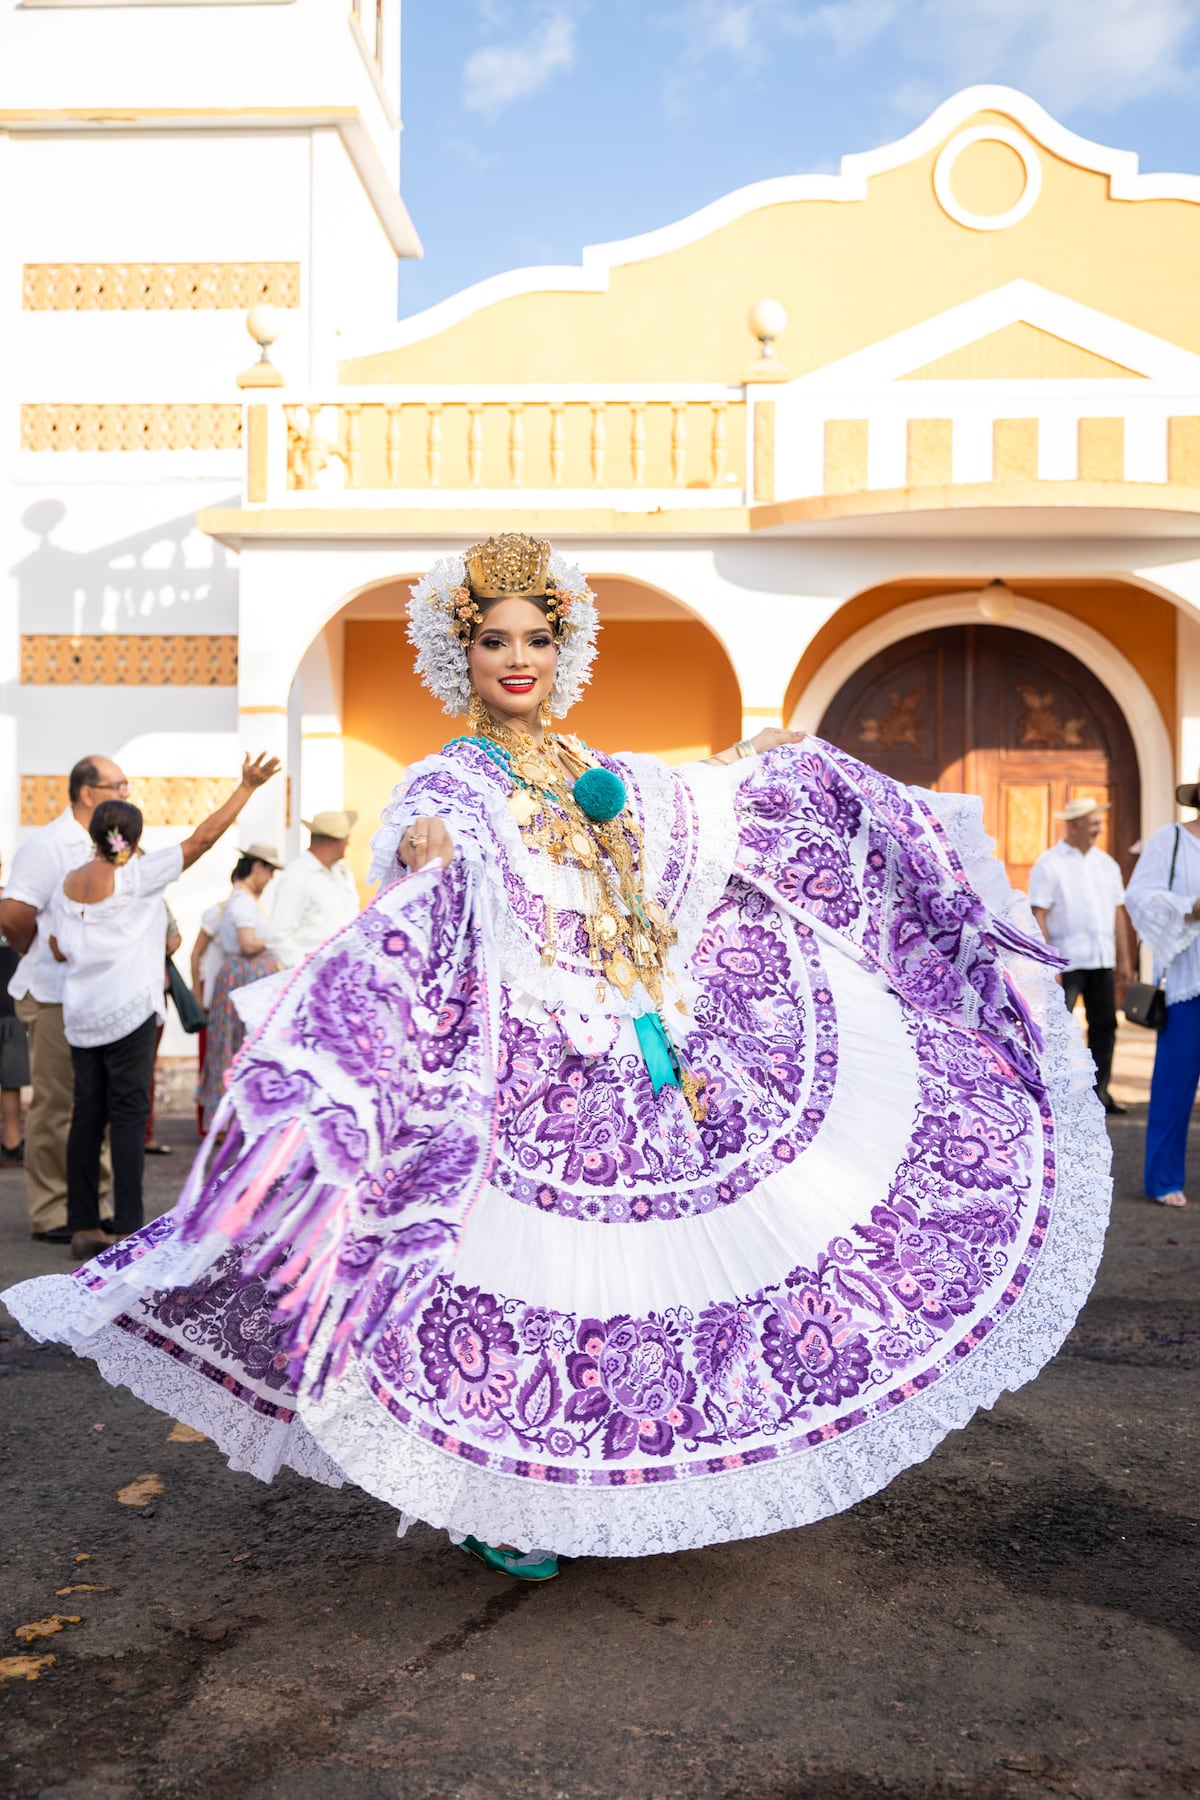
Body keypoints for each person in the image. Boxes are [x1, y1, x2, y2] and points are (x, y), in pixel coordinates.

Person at [3, 534, 1112, 1584]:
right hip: (525, 1074)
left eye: (537, 639)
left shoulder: (584, 761)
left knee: (633, 1283)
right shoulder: (449, 779)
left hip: (635, 1053)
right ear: (462, 652)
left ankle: (602, 1482)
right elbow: (424, 852)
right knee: (508, 1278)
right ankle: (493, 1502)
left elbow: (670, 808)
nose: (519, 660)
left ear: (562, 647)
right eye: (495, 640)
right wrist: (427, 854)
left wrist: (752, 768)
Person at [49, 756, 279, 1261]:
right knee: (129, 1116)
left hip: (82, 1017)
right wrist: (245, 787)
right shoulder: (137, 878)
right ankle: (129, 1225)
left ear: (95, 833)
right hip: (130, 1014)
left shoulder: (69, 885)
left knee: (86, 1116)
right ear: (132, 836)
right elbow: (202, 838)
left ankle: (83, 1224)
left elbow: (57, 948)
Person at [0, 755, 124, 1241]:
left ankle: (92, 1204)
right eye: (119, 785)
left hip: (103, 992)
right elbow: (12, 914)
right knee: (57, 1103)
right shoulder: (48, 844)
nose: (127, 794)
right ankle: (52, 1209)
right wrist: (38, 951)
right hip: (53, 993)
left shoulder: (114, 843)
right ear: (87, 792)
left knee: (100, 1101)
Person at [1029, 798, 1135, 1116]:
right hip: (1067, 961)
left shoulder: (1107, 865)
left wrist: (1125, 959)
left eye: (1099, 823)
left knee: (1104, 1026)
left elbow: (1118, 914)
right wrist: (1048, 963)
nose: (1099, 829)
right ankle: (1058, 1095)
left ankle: (1098, 1093)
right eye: (1093, 823)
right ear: (1073, 826)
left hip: (1101, 959)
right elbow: (1039, 914)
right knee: (1060, 1030)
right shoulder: (1049, 864)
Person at [1124, 773, 1200, 1207]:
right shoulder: (1170, 839)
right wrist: (1189, 907)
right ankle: (1164, 1178)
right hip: (1190, 980)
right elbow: (1140, 896)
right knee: (1175, 1085)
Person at [194, 843, 284, 1122]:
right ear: (258, 868)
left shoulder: (241, 900)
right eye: (269, 872)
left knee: (231, 1047)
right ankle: (227, 1118)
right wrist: (278, 939)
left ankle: (229, 1118)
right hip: (243, 977)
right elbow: (247, 944)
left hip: (240, 976)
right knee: (234, 1048)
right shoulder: (243, 901)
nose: (270, 880)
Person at [268, 811, 360, 969]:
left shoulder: (342, 873)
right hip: (313, 977)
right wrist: (306, 967)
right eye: (346, 838)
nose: (348, 843)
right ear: (333, 841)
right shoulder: (297, 875)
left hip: (343, 971)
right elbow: (278, 936)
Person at [143, 904, 183, 1158]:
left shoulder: (157, 899)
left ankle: (143, 1132)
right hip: (143, 991)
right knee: (143, 1067)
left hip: (151, 991)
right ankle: (142, 1133)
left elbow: (174, 939)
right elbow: (173, 939)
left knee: (145, 1066)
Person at [0, 853, 31, 1169]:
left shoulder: (12, 907)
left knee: (11, 1080)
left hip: (9, 1007)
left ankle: (11, 1141)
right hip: (9, 1005)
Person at [189, 898, 227, 1136]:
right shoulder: (217, 913)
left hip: (227, 994)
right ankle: (206, 1121)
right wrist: (198, 994)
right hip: (210, 993)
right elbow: (196, 954)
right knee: (209, 1058)